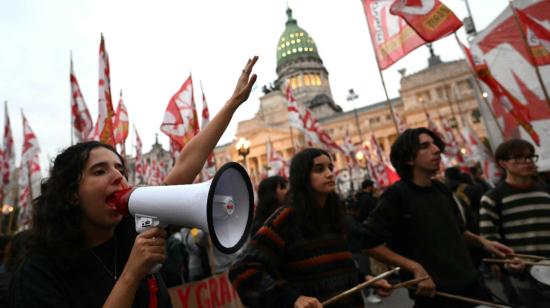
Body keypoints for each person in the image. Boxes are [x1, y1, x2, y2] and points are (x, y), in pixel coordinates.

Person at [8, 56, 259, 308]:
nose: (118, 176)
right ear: (72, 193)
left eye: (120, 168)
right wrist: (131, 274)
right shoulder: (39, 271)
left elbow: (185, 165)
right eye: (99, 171)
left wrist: (233, 104)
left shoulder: (133, 227)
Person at [364, 127, 513, 308]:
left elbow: (457, 231)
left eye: (435, 144)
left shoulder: (441, 189)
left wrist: (483, 243)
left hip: (473, 287)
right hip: (436, 296)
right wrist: (415, 268)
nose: (437, 150)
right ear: (409, 158)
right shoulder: (397, 194)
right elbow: (367, 242)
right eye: (425, 146)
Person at [229, 148, 392, 308]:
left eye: (330, 168)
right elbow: (243, 269)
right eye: (319, 169)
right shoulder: (287, 217)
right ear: (303, 177)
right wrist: (292, 299)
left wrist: (366, 279)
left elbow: (335, 265)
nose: (329, 174)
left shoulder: (334, 214)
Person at [480, 138, 550, 307]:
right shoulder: (492, 198)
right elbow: (490, 240)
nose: (526, 161)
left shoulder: (545, 191)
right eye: (518, 157)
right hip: (522, 277)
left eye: (529, 157)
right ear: (503, 163)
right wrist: (508, 261)